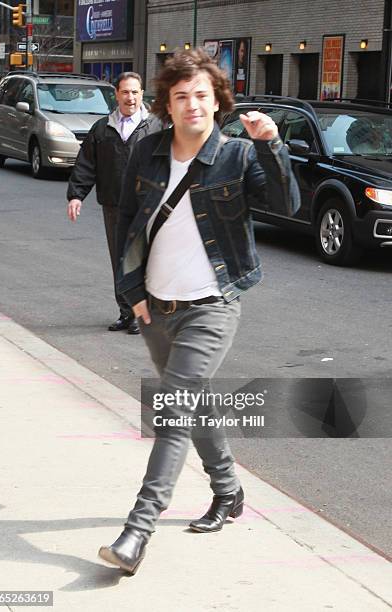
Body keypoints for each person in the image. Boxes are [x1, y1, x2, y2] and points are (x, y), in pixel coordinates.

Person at [98, 48, 300, 574]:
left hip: (213, 305)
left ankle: (136, 532)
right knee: (197, 403)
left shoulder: (236, 155)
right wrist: (131, 292)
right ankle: (229, 490)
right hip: (156, 307)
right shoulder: (146, 151)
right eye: (181, 96)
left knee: (173, 413)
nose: (192, 105)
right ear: (167, 102)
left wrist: (273, 146)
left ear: (218, 102)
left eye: (202, 96)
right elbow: (126, 224)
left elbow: (287, 204)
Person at [66, 71, 161, 334]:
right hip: (114, 206)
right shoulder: (102, 128)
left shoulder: (157, 126)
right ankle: (126, 313)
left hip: (147, 206)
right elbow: (86, 163)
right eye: (125, 92)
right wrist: (76, 195)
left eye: (135, 92)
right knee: (120, 261)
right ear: (116, 94)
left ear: (141, 94)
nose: (130, 97)